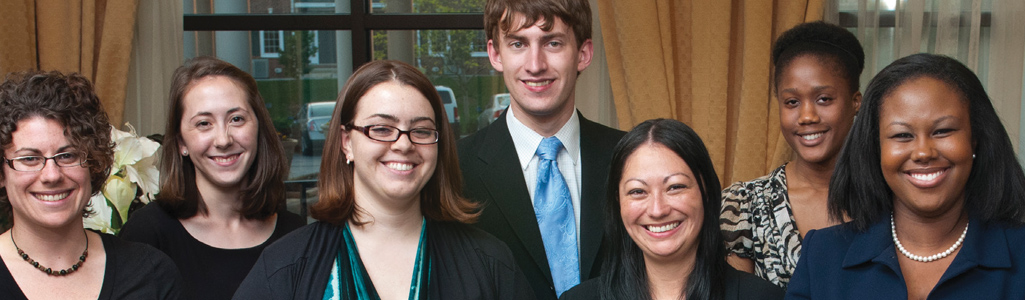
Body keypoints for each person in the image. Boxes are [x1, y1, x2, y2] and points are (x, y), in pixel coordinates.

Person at [234, 60, 533, 299]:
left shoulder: (489, 263)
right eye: (381, 129)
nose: (404, 144)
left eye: (422, 130)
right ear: (346, 142)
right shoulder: (287, 266)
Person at [787, 53, 1025, 299]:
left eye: (943, 131)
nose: (923, 152)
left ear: (975, 140)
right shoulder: (823, 255)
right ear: (876, 147)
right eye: (902, 135)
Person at [458, 0, 625, 298]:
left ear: (583, 54)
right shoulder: (455, 168)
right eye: (518, 44)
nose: (535, 65)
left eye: (553, 43)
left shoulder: (628, 157)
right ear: (496, 55)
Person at [119, 57, 306, 300]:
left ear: (258, 128)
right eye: (204, 123)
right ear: (181, 143)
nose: (223, 139)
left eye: (236, 119)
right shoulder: (147, 235)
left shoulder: (295, 234)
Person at [0, 71, 184, 299]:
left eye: (67, 155)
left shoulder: (151, 275)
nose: (51, 175)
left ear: (93, 162)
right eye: (29, 159)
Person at [560, 119, 783, 300]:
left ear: (706, 193)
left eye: (675, 187)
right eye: (638, 191)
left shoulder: (763, 297)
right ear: (618, 202)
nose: (657, 210)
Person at [718, 21, 864, 289]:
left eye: (824, 99)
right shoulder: (744, 205)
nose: (807, 116)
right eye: (792, 102)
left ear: (856, 102)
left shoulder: (888, 198)